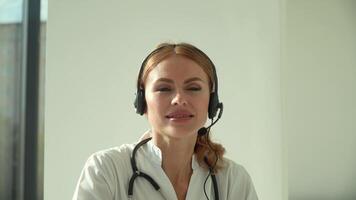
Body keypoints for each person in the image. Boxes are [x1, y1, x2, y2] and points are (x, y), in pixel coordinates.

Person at [72, 42, 258, 200]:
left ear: (212, 102)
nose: (179, 99)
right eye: (164, 88)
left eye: (193, 88)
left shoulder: (233, 180)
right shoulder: (106, 170)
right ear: (141, 102)